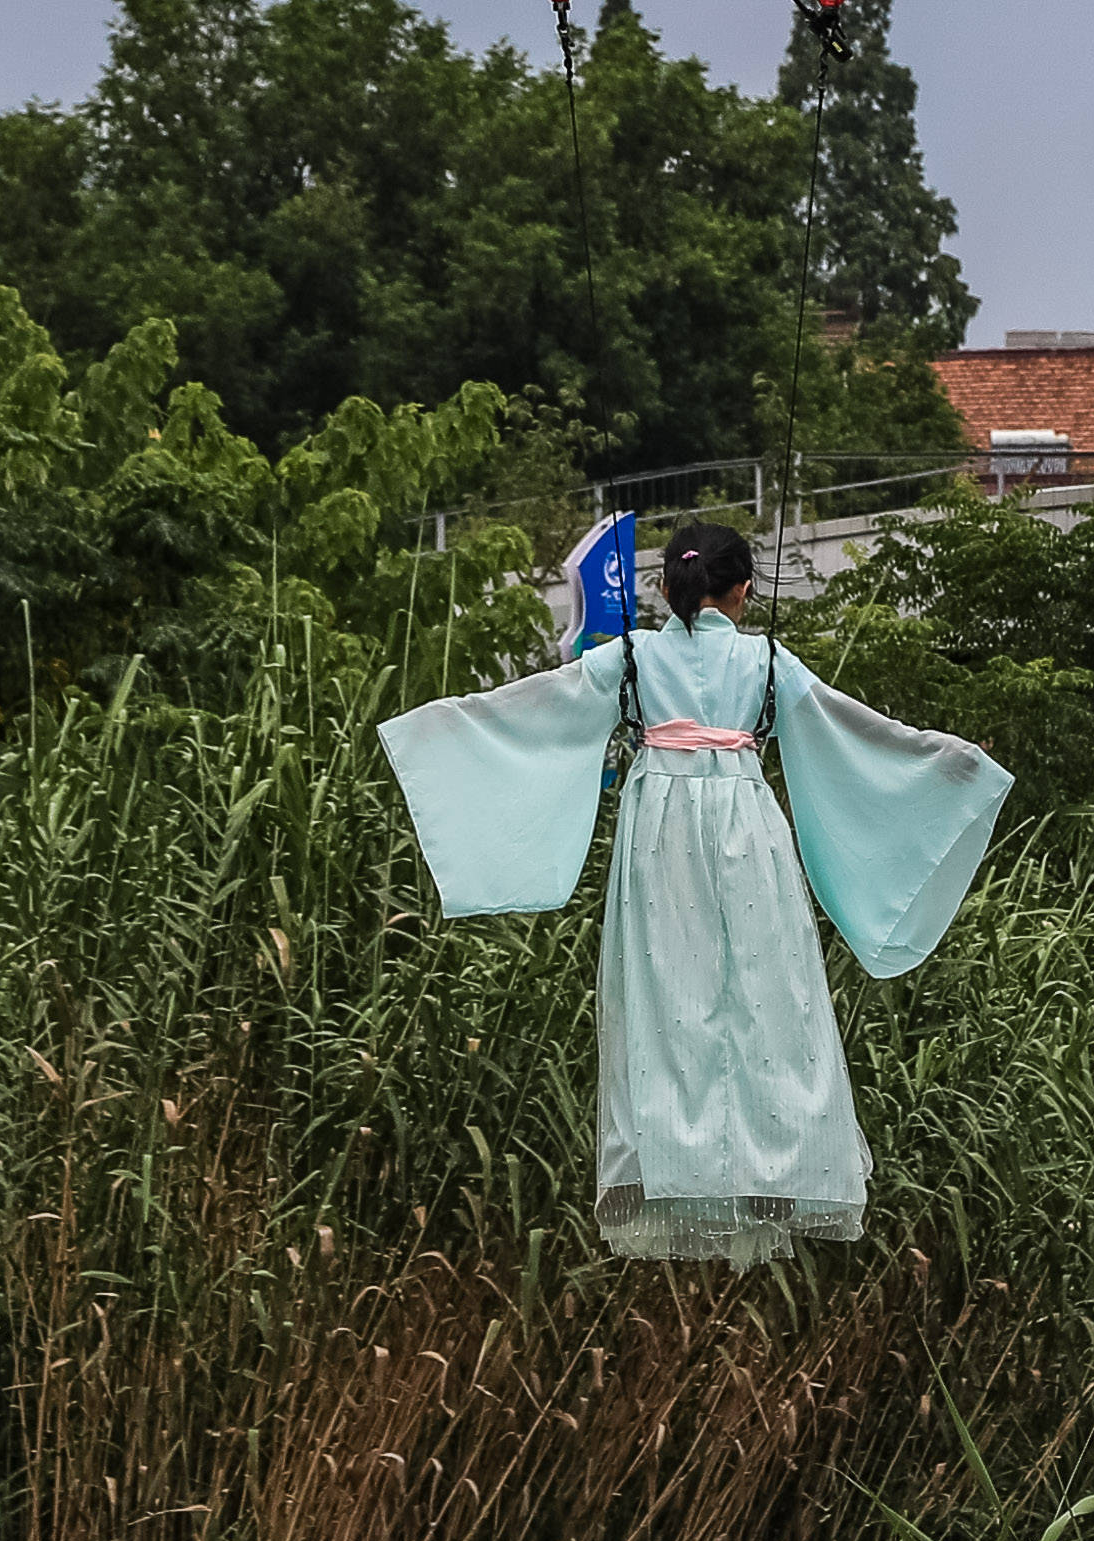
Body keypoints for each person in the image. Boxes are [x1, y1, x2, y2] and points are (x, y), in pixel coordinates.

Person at [373, 517, 1013, 1263]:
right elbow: (859, 731)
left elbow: (533, 710)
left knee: (668, 992)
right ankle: (774, 1159)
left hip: (660, 837)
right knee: (768, 991)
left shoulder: (633, 658)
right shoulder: (767, 662)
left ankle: (675, 1153)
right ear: (743, 589)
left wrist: (436, 733)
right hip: (748, 830)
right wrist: (949, 763)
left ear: (669, 586)